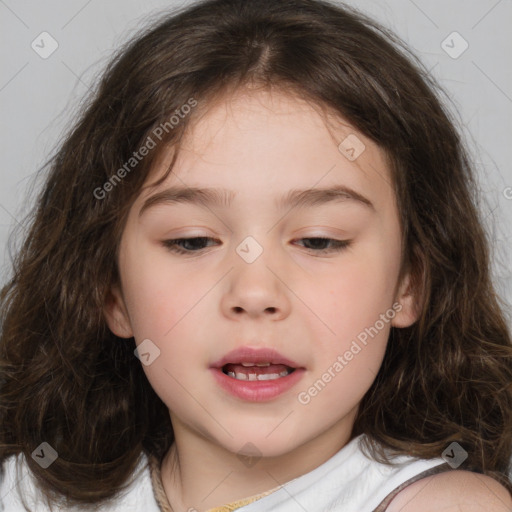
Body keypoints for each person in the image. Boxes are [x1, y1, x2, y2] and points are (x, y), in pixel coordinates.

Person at [1, 0, 511, 510]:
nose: (255, 293)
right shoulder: (25, 494)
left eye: (319, 240)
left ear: (409, 284)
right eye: (192, 241)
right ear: (110, 292)